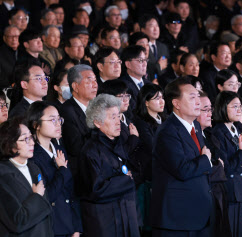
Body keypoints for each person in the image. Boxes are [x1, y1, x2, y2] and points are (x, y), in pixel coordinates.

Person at [151, 77, 213, 236]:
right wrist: (206, 160)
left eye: (198, 96)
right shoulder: (168, 132)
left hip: (199, 214)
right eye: (192, 97)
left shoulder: (196, 126)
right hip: (177, 219)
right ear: (176, 103)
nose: (198, 101)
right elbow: (182, 169)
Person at [78, 94, 140, 237]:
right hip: (105, 223)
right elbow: (96, 190)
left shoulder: (118, 143)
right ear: (97, 123)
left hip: (127, 215)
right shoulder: (90, 151)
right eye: (112, 117)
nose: (118, 122)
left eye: (118, 116)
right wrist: (125, 179)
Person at [27, 101, 82, 237]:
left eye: (59, 119)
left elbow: (71, 192)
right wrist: (62, 170)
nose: (58, 124)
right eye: (52, 120)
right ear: (36, 125)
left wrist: (76, 228)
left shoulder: (58, 149)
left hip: (68, 224)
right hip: (51, 226)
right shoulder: (31, 155)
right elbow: (47, 196)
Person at [0, 118, 53, 237]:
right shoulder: (3, 175)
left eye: (31, 137)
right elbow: (17, 221)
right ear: (10, 144)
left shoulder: (34, 168)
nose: (32, 143)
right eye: (25, 139)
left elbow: (47, 213)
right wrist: (37, 196)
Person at [212, 91, 242, 237]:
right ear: (222, 107)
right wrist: (241, 152)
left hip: (240, 192)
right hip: (228, 193)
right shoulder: (218, 132)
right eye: (234, 106)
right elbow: (226, 169)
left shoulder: (238, 129)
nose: (239, 110)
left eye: (240, 106)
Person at [196, 91, 230, 237]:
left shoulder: (211, 135)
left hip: (219, 196)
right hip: (203, 201)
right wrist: (217, 166)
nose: (210, 113)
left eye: (211, 109)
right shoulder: (191, 138)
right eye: (206, 110)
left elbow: (224, 166)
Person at [133, 84, 166, 235]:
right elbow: (153, 146)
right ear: (146, 102)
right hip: (148, 176)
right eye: (157, 98)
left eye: (162, 97)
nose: (162, 101)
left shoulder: (166, 119)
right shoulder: (140, 122)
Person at [60, 64, 97, 180]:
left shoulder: (97, 107)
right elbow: (76, 148)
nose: (95, 85)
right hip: (83, 174)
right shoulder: (66, 111)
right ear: (75, 86)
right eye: (89, 81)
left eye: (95, 81)